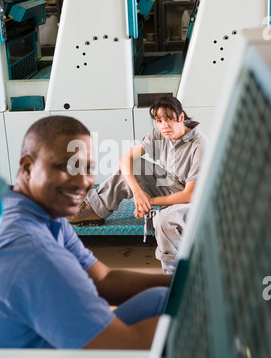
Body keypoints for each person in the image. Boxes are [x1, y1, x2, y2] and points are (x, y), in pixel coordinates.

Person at [0, 115, 170, 351]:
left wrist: (187, 280)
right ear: (27, 167)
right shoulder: (30, 251)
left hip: (53, 344)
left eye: (88, 169)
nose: (83, 181)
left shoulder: (41, 214)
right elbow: (123, 345)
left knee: (162, 298)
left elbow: (102, 280)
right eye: (66, 167)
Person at [69, 95, 208, 274]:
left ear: (181, 117)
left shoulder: (199, 144)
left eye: (169, 120)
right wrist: (137, 193)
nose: (164, 126)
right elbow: (125, 159)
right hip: (172, 184)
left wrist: (149, 202)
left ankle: (174, 277)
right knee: (135, 166)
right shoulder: (160, 134)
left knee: (163, 220)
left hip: (196, 198)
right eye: (159, 121)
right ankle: (93, 212)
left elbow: (189, 195)